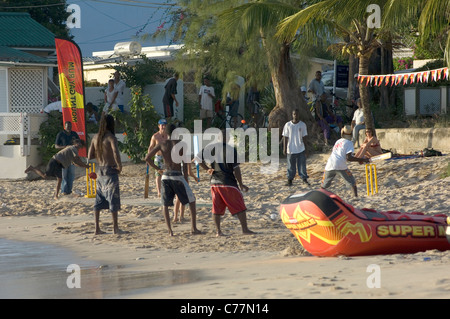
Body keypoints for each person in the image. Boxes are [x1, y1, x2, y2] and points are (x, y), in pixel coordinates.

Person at [195, 129, 255, 237]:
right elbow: (236, 169)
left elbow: (197, 158)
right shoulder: (231, 150)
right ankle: (245, 229)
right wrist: (241, 184)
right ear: (227, 139)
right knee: (240, 206)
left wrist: (207, 169)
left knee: (216, 208)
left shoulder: (211, 147)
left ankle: (218, 231)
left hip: (214, 182)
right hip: (228, 182)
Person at [145, 123, 200, 236]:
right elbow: (184, 164)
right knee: (192, 201)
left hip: (165, 175)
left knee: (165, 204)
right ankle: (193, 228)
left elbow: (147, 158)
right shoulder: (181, 144)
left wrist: (159, 169)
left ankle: (170, 231)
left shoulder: (162, 144)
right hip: (177, 175)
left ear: (167, 133)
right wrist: (186, 179)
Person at [87, 114, 123, 235]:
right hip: (110, 170)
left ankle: (97, 228)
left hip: (100, 171)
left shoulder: (95, 138)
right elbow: (115, 152)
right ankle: (115, 228)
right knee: (113, 199)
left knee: (99, 200)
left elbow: (89, 156)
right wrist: (119, 166)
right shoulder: (111, 138)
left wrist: (100, 154)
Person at [25, 139, 89, 199]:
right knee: (45, 176)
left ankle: (56, 196)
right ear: (76, 143)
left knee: (60, 179)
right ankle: (32, 168)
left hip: (60, 165)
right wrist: (85, 165)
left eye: (81, 145)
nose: (79, 145)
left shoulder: (74, 150)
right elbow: (77, 160)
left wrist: (84, 166)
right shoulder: (73, 148)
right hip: (54, 161)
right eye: (78, 144)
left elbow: (75, 162)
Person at [320, 125, 369, 197]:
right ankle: (356, 197)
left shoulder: (338, 141)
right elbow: (349, 158)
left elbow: (341, 153)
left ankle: (319, 195)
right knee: (351, 181)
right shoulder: (349, 143)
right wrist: (362, 159)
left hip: (330, 163)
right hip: (340, 165)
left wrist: (358, 159)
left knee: (324, 185)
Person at [282, 109, 309, 187]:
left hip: (301, 148)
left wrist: (306, 149)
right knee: (290, 166)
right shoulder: (288, 125)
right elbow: (285, 137)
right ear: (292, 115)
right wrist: (284, 148)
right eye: (294, 114)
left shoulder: (302, 125)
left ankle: (304, 179)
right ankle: (289, 180)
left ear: (299, 115)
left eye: (297, 114)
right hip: (290, 149)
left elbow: (305, 137)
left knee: (302, 165)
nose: (295, 116)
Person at [55, 121, 80, 196]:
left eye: (70, 126)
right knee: (64, 175)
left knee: (71, 174)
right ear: (64, 126)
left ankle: (69, 190)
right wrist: (65, 147)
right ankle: (64, 190)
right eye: (67, 126)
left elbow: (78, 143)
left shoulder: (74, 134)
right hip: (63, 157)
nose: (69, 127)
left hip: (72, 157)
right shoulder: (60, 134)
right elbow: (56, 146)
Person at [148, 119, 169, 197]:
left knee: (167, 174)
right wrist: (149, 156)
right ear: (159, 126)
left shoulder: (168, 135)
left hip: (166, 157)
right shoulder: (155, 136)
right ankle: (159, 191)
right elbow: (151, 147)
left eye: (164, 125)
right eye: (162, 125)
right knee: (158, 174)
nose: (163, 127)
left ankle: (166, 190)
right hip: (158, 157)